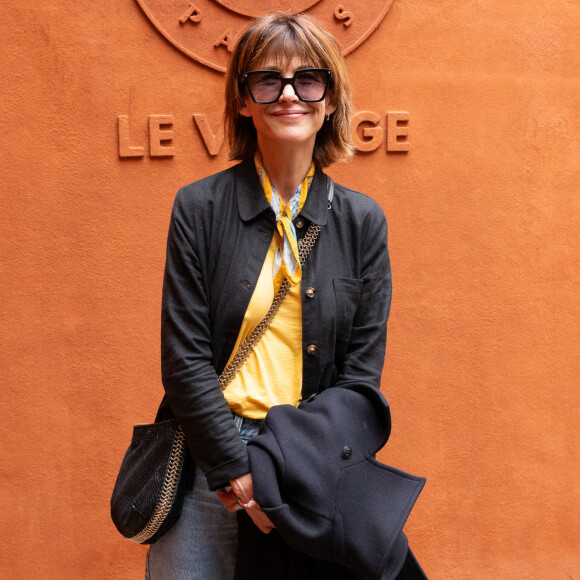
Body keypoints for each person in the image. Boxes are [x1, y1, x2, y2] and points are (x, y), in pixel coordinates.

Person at [146, 11, 424, 580]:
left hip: (308, 465)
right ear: (244, 100)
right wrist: (237, 472)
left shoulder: (361, 221)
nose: (288, 95)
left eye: (308, 80)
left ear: (329, 101)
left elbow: (359, 378)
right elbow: (184, 360)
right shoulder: (199, 209)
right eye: (267, 80)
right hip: (210, 460)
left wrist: (281, 475)